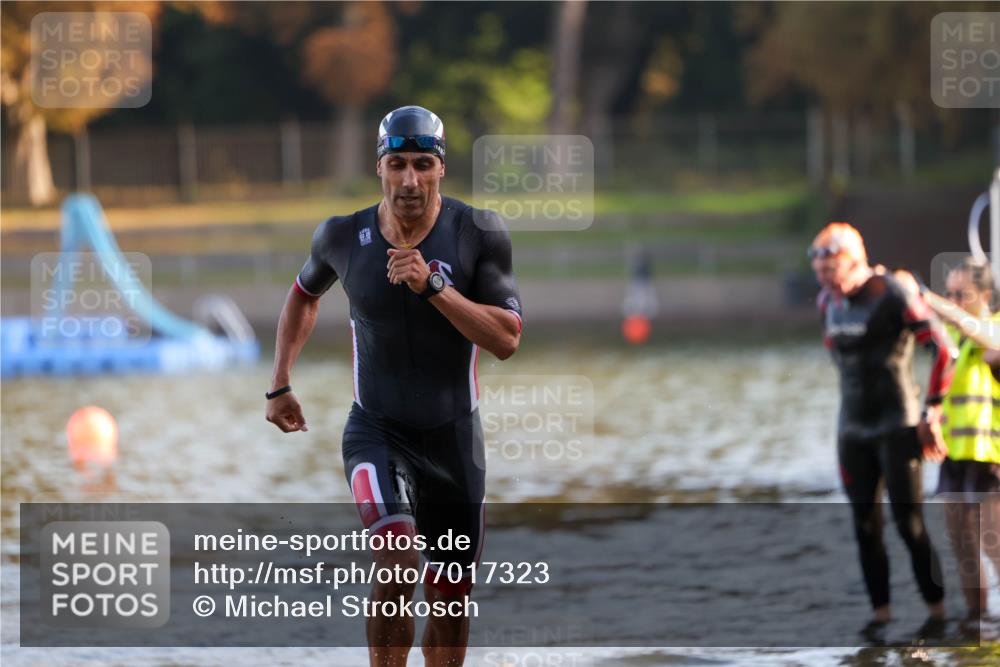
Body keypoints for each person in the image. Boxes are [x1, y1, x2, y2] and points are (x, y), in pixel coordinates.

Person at [266, 105, 523, 667]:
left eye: (424, 165)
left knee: (451, 598)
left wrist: (433, 285)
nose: (410, 180)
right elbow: (303, 294)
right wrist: (280, 382)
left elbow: (506, 339)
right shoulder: (341, 235)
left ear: (441, 170)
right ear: (378, 167)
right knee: (397, 556)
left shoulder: (478, 232)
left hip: (455, 440)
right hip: (376, 430)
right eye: (398, 164)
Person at [809, 222, 955, 629]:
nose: (824, 282)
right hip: (852, 428)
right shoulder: (827, 302)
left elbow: (944, 350)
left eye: (830, 272)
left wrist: (932, 412)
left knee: (909, 524)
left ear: (853, 261)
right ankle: (880, 617)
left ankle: (937, 612)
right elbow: (839, 355)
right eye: (819, 275)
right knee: (863, 525)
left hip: (898, 424)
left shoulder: (892, 292)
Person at [936, 257, 1000, 619]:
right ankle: (976, 621)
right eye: (950, 294)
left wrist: (930, 299)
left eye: (963, 294)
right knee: (962, 545)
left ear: (985, 295)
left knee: (995, 546)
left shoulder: (993, 328)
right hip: (954, 455)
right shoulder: (953, 340)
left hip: (990, 455)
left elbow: (988, 343)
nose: (955, 301)